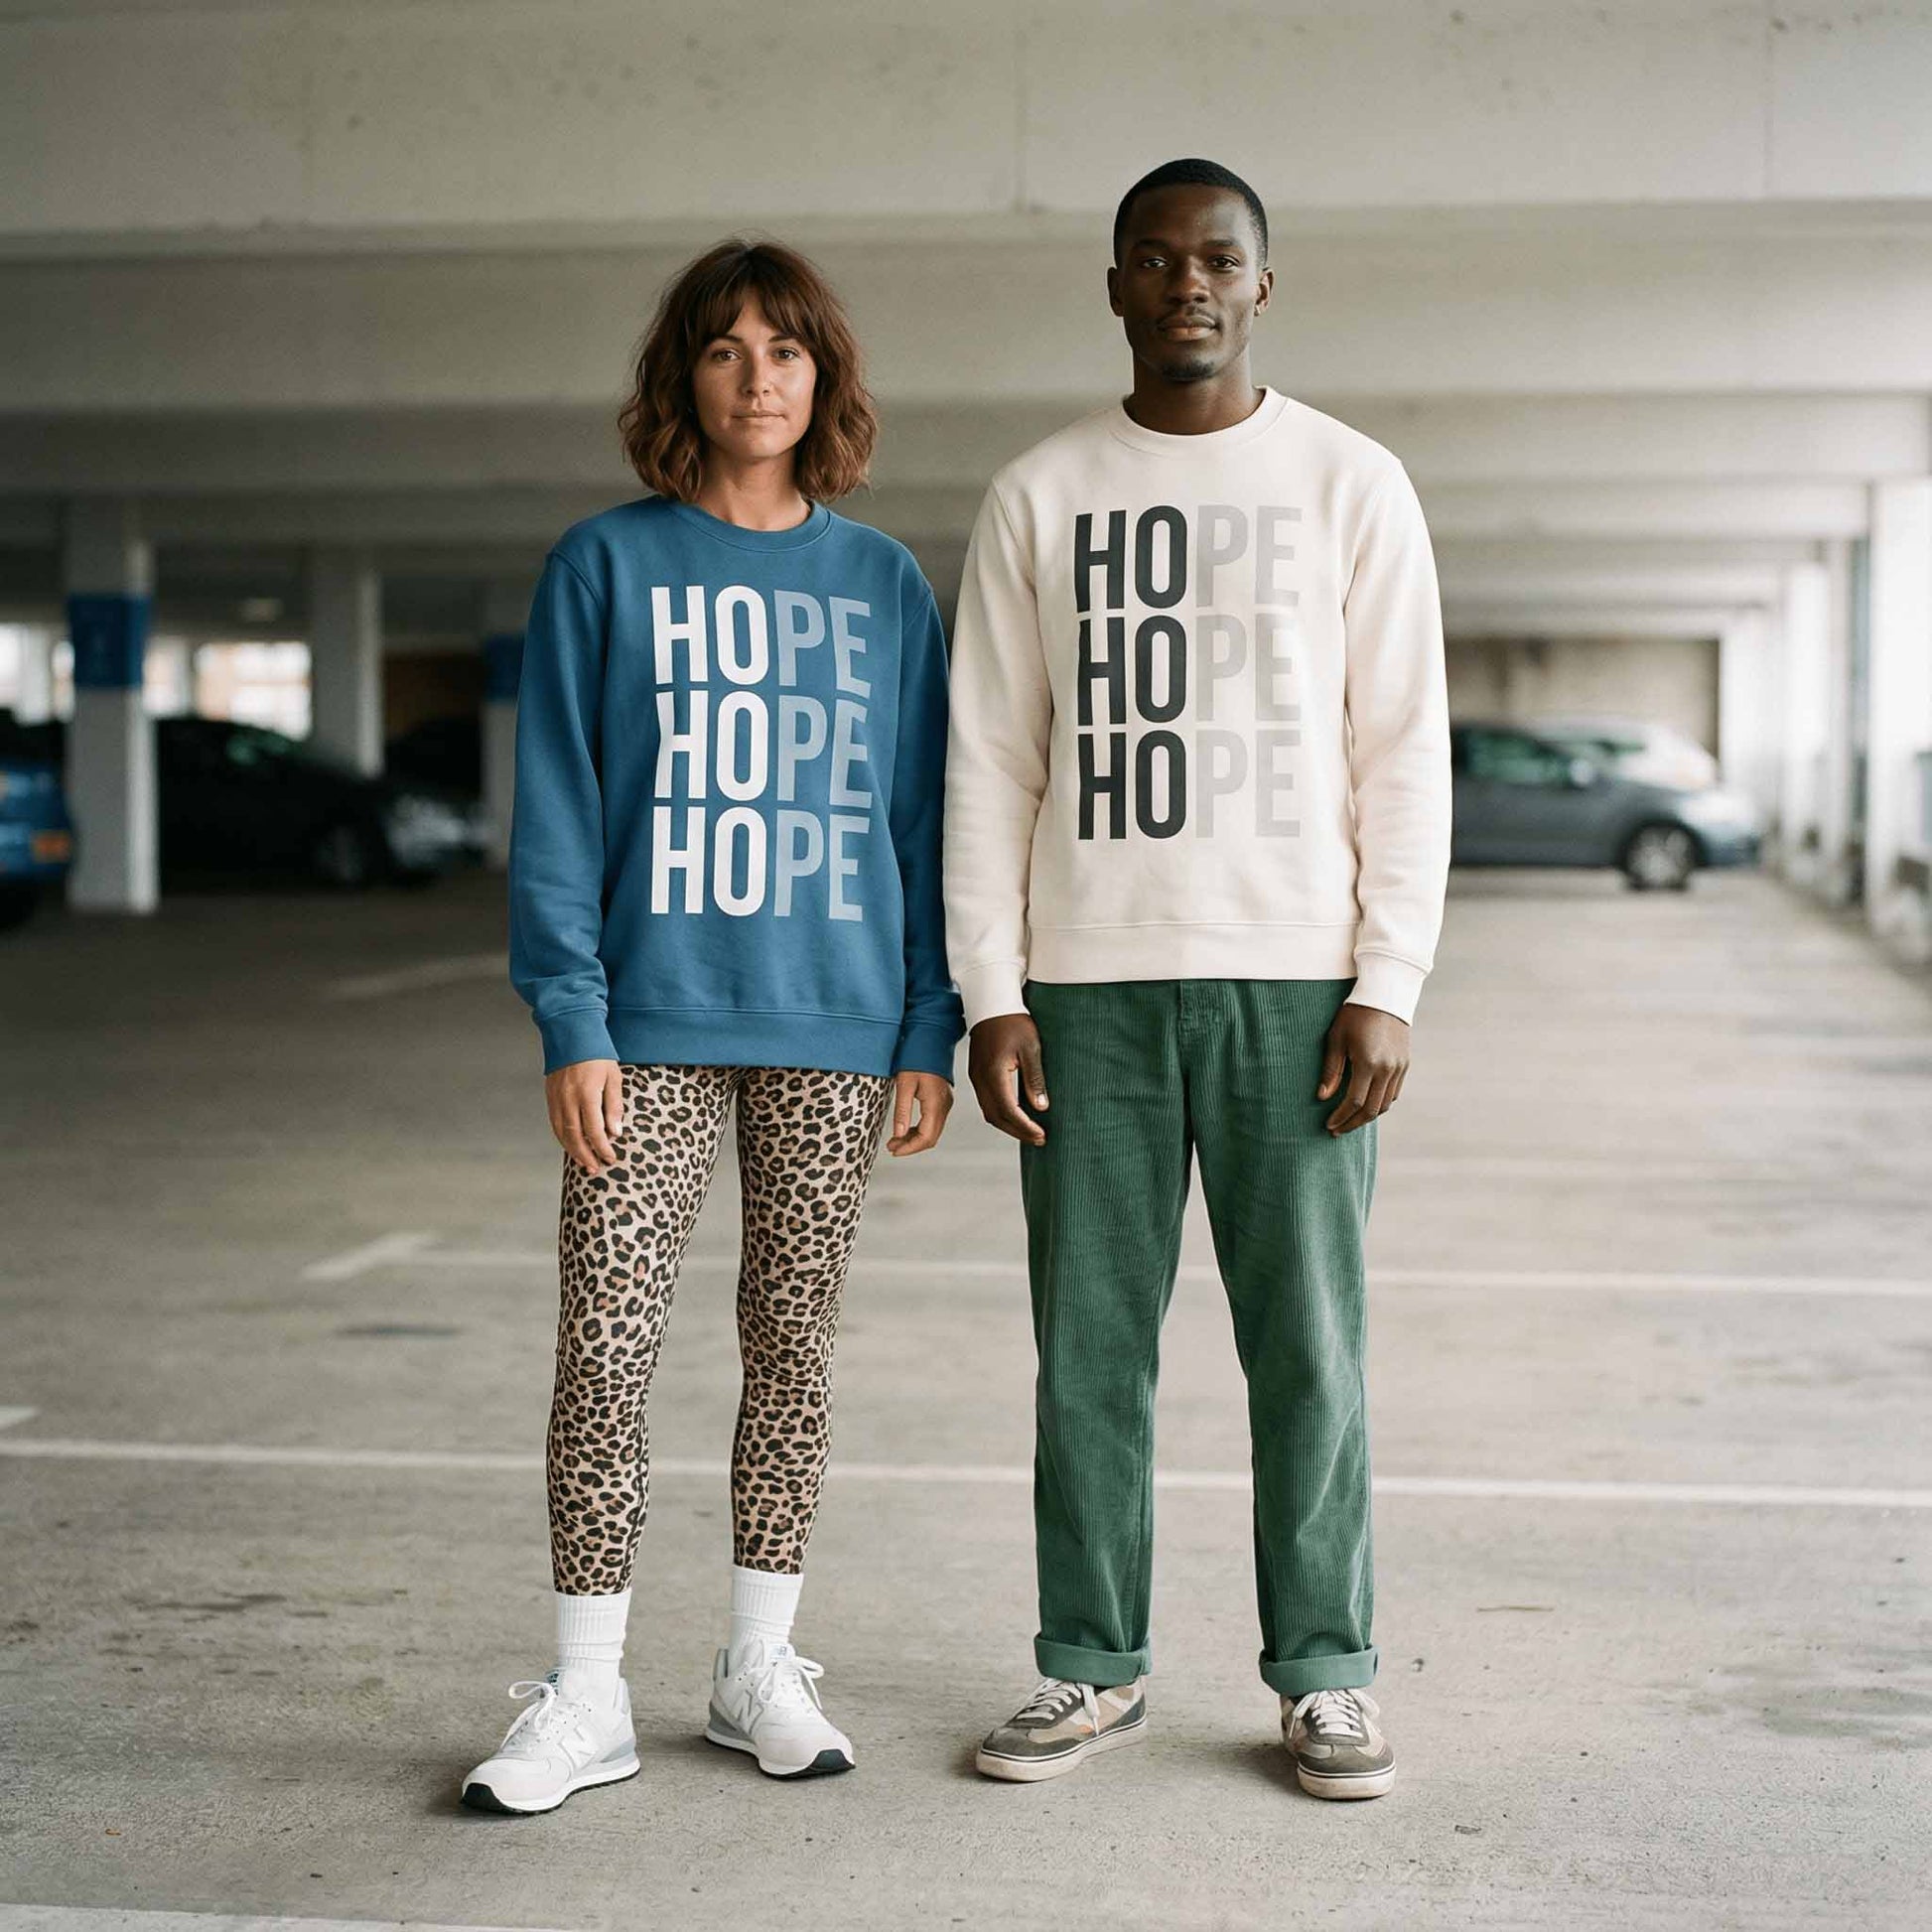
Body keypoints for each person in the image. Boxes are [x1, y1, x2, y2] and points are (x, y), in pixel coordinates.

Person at [944, 158, 1449, 1798]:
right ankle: (1088, 1666)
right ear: (1111, 286)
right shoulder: (1038, 492)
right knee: (1088, 1350)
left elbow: (1403, 755)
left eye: (1216, 258)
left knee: (1307, 1349)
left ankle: (1324, 1672)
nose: (1186, 285)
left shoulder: (1349, 483)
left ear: (1261, 284)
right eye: (1154, 260)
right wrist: (988, 990)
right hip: (1086, 986)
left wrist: (1390, 977)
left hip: (1294, 986)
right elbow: (987, 763)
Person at [461, 239, 962, 1814]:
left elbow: (921, 818)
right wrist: (570, 1013)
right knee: (603, 1346)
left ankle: (758, 1662)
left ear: (826, 379)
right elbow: (558, 807)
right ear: (683, 374)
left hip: (835, 1023)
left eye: (788, 349)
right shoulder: (604, 565)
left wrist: (927, 1020)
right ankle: (586, 1688)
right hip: (647, 1024)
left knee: (788, 1348)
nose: (759, 375)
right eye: (727, 347)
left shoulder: (883, 583)